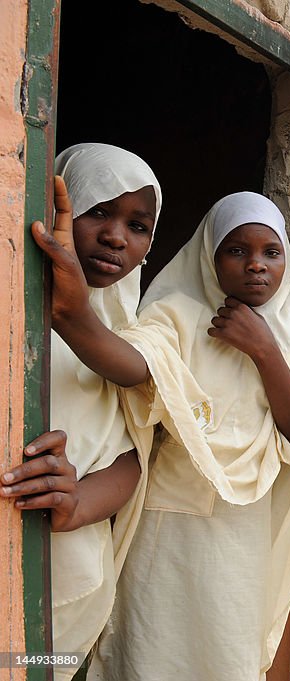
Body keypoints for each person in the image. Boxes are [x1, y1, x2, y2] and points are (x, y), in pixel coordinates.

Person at [37, 191, 290, 680]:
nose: (256, 265)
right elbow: (134, 366)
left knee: (224, 656)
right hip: (165, 530)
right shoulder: (175, 313)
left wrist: (264, 350)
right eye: (236, 251)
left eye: (271, 252)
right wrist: (72, 314)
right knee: (151, 653)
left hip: (241, 534)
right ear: (209, 255)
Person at [2, 143, 161, 680]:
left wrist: (77, 502)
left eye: (138, 225)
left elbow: (134, 457)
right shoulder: (14, 312)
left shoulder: (131, 335)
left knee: (39, 669)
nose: (117, 236)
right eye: (99, 212)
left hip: (75, 582)